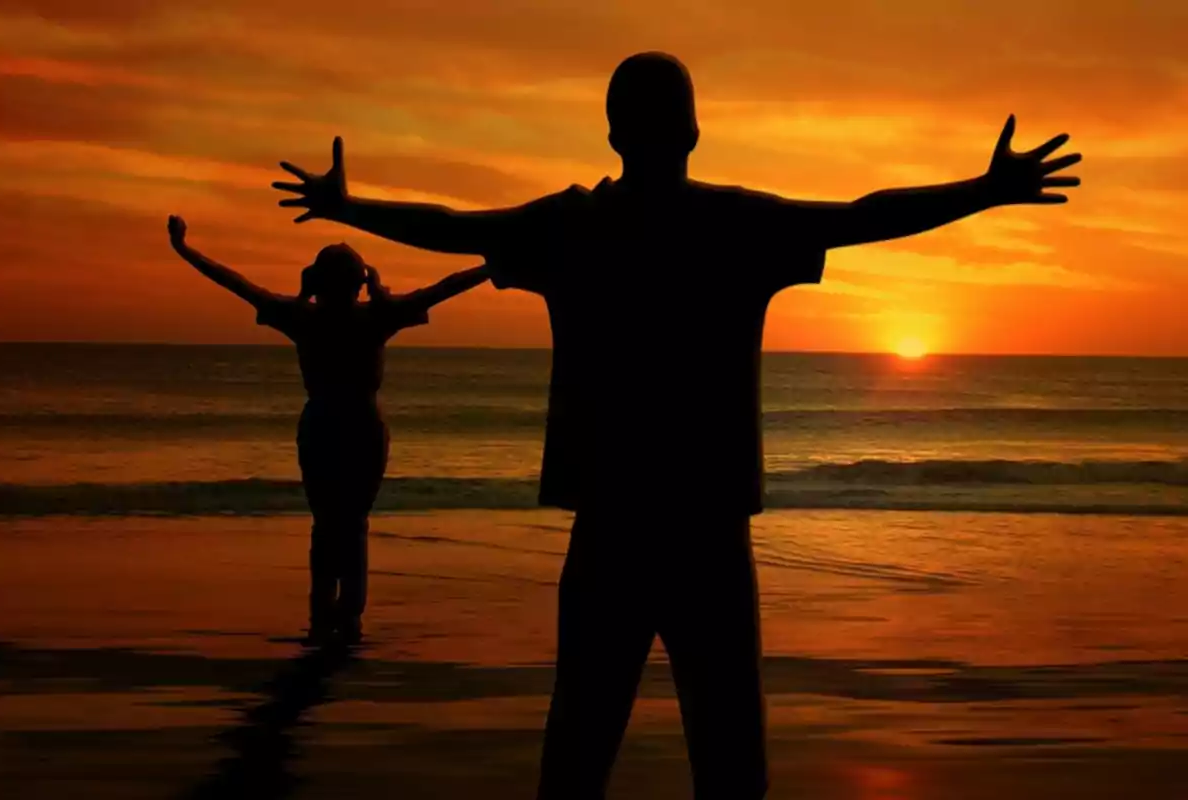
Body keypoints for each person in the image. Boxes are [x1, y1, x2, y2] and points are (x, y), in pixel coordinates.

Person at [271, 52, 1081, 798]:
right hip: (708, 530)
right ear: (695, 129)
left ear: (614, 133)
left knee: (578, 757)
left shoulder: (572, 225)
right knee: (728, 766)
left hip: (611, 527)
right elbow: (862, 214)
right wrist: (983, 190)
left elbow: (454, 224)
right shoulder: (736, 224)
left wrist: (351, 207)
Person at [166, 215, 489, 646]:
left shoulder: (305, 317)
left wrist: (184, 250)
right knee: (352, 523)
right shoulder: (372, 315)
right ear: (361, 282)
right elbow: (446, 287)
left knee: (328, 525)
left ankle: (326, 614)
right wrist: (495, 264)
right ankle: (347, 617)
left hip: (327, 425)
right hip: (358, 427)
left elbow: (236, 283)